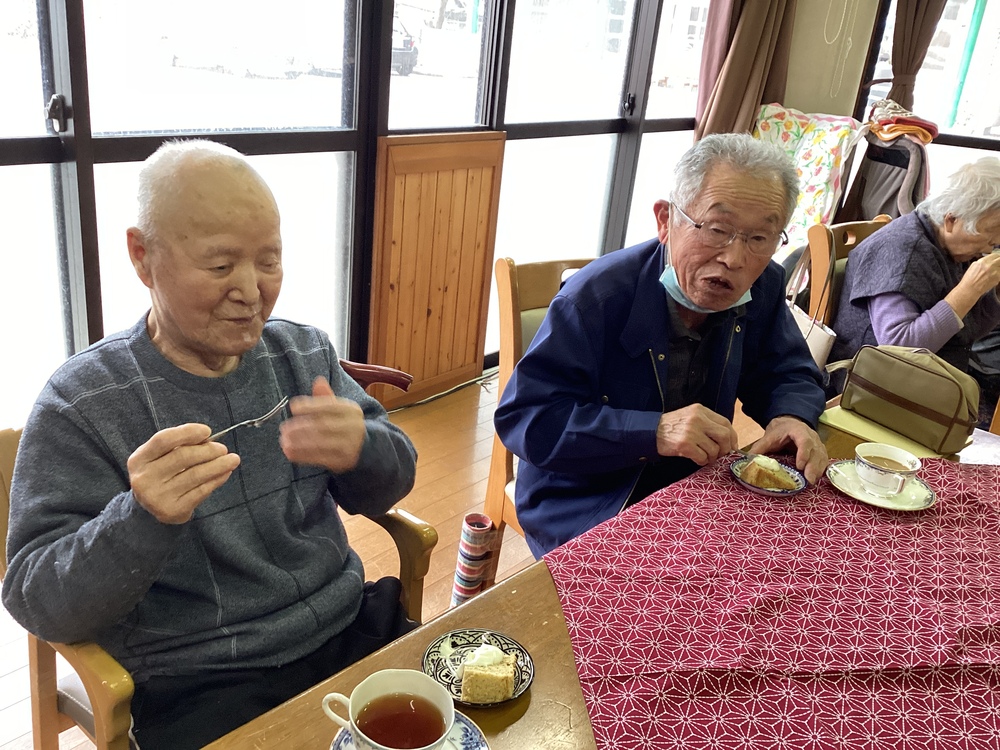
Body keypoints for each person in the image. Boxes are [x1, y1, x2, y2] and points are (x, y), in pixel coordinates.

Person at [1, 140, 418, 749]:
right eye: (221, 266)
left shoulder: (303, 353)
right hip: (201, 678)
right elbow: (36, 596)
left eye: (269, 261)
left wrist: (365, 448)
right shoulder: (82, 403)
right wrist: (141, 519)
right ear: (143, 257)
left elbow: (395, 477)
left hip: (348, 625)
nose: (251, 290)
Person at [494, 133, 829, 558]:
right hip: (587, 501)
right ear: (666, 220)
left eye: (760, 238)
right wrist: (652, 431)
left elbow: (786, 369)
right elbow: (528, 418)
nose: (735, 259)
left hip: (693, 486)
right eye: (717, 229)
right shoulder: (595, 299)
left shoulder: (762, 286)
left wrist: (791, 416)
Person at [829, 157, 1000, 422]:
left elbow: (966, 331)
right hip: (875, 390)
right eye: (990, 232)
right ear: (952, 219)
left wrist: (993, 292)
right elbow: (898, 348)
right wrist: (968, 290)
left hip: (928, 382)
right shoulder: (902, 250)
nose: (993, 245)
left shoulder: (950, 247)